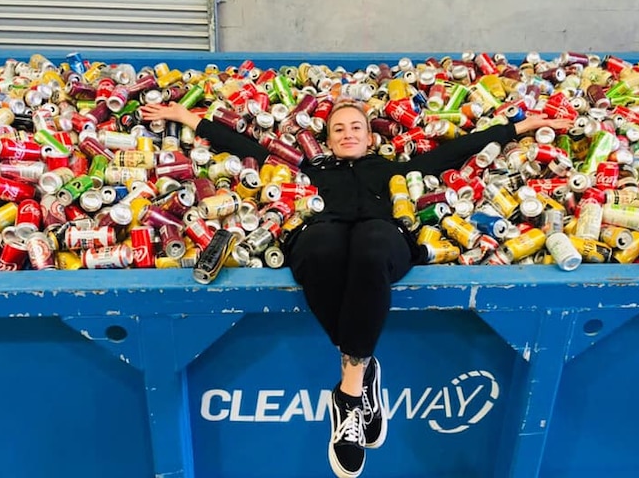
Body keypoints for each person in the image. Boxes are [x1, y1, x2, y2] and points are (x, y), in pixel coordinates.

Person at [141, 97, 572, 478]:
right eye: (338, 129)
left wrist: (524, 127)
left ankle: (348, 395)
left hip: (384, 237)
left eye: (356, 127)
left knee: (370, 244)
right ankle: (362, 374)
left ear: (370, 137)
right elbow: (248, 149)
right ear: (326, 139)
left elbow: (457, 150)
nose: (348, 134)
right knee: (321, 247)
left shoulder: (394, 170)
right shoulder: (308, 168)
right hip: (322, 232)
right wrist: (185, 115)